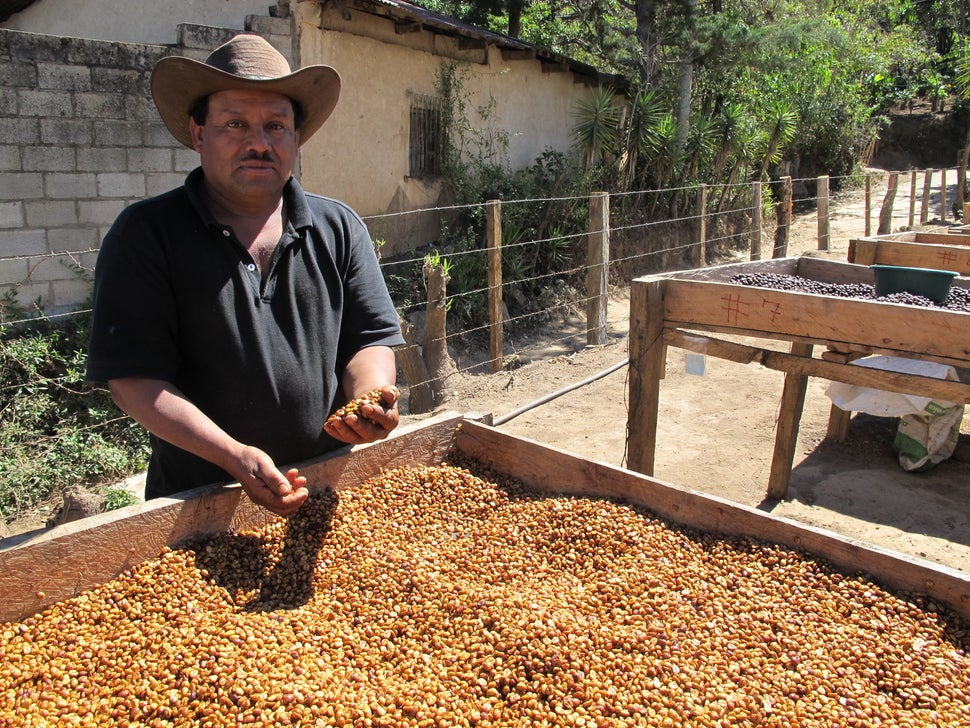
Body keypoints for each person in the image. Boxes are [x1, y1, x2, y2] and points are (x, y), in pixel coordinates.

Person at [86, 34, 404, 517]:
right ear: (198, 134)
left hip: (326, 488)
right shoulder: (146, 234)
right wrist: (232, 456)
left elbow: (370, 339)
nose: (259, 142)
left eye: (276, 125)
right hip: (197, 499)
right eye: (235, 124)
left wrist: (370, 398)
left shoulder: (338, 226)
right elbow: (134, 382)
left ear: (297, 137)